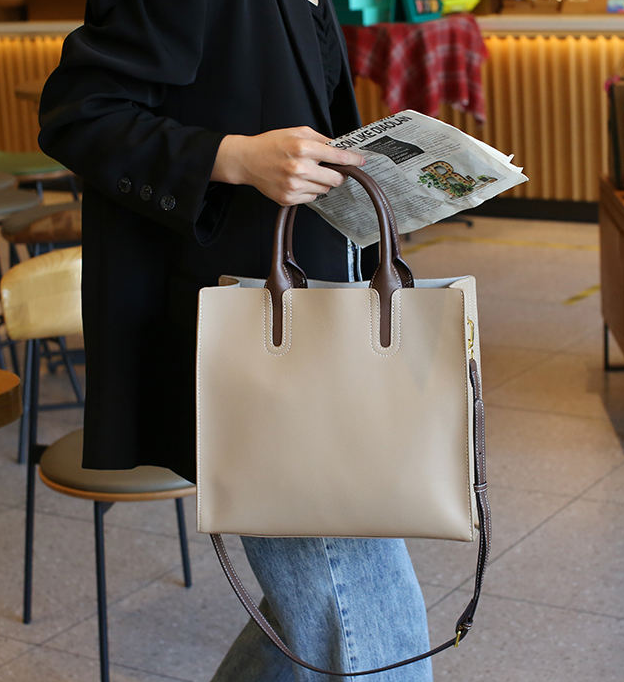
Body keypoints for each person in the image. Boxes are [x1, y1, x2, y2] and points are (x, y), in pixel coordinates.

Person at [38, 1, 433, 680]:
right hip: (247, 342)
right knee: (371, 617)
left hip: (316, 323)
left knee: (321, 611)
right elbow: (80, 113)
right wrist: (235, 158)